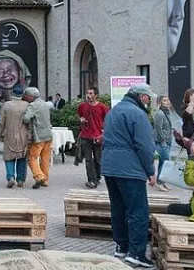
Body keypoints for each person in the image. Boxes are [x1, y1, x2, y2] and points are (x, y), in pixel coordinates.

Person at [101, 83, 157, 268]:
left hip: (110, 167)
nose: (149, 101)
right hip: (130, 169)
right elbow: (145, 146)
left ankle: (121, 246)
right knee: (138, 211)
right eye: (149, 97)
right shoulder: (138, 114)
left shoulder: (113, 112)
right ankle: (136, 253)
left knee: (118, 208)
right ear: (142, 97)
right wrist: (150, 171)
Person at [0, 86, 30, 188]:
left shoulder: (7, 105)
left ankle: (11, 177)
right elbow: (30, 122)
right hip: (23, 135)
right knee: (22, 156)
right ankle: (20, 179)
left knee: (9, 157)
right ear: (22, 95)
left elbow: (2, 122)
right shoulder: (27, 105)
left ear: (12, 94)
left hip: (9, 134)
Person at [78, 87, 109, 189]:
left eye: (91, 93)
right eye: (87, 93)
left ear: (96, 95)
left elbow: (108, 120)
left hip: (98, 136)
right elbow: (79, 115)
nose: (88, 95)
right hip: (85, 136)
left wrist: (104, 131)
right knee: (88, 159)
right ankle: (91, 180)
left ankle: (97, 176)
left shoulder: (102, 107)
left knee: (98, 159)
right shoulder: (82, 106)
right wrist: (81, 119)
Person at [22, 87, 53, 189]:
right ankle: (45, 180)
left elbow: (26, 119)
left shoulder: (33, 105)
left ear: (31, 96)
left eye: (26, 96)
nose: (26, 98)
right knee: (45, 159)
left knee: (32, 157)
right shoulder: (45, 104)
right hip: (48, 135)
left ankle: (39, 176)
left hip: (39, 136)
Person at [153, 95, 179, 191]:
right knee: (164, 162)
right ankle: (159, 182)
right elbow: (158, 128)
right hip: (162, 142)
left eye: (168, 100)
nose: (167, 102)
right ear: (160, 102)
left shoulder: (167, 112)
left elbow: (165, 126)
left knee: (163, 162)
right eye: (164, 100)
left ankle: (163, 182)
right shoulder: (160, 113)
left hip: (168, 140)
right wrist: (163, 139)